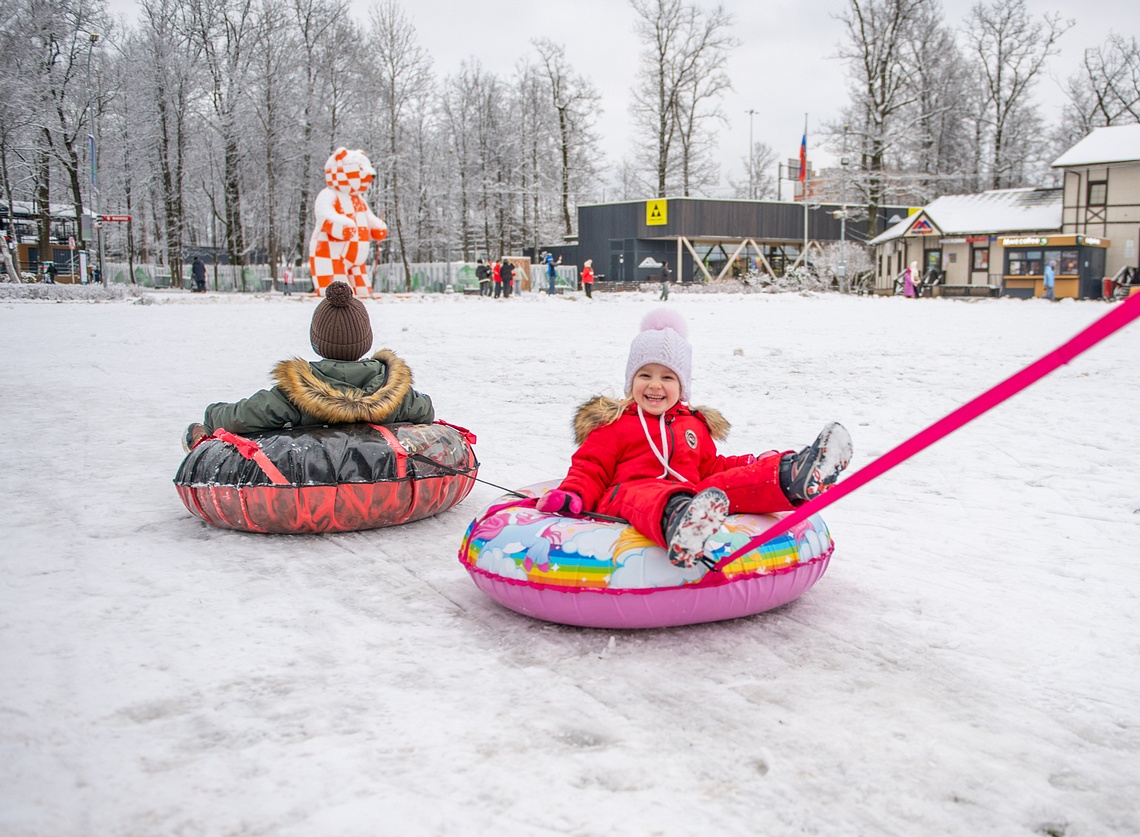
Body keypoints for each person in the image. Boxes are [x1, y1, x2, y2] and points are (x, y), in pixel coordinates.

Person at [536, 310, 853, 569]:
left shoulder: (692, 424)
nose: (654, 385)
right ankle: (681, 522)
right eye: (644, 375)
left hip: (690, 492)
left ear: (682, 384)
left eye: (667, 377)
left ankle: (794, 475)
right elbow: (590, 468)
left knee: (725, 484)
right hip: (626, 495)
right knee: (643, 491)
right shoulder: (615, 423)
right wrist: (571, 495)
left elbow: (710, 466)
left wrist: (754, 464)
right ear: (631, 380)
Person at [182, 280, 435, 450]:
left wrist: (212, 415)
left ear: (317, 342)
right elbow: (425, 410)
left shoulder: (296, 393)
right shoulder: (394, 391)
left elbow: (242, 417)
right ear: (366, 341)